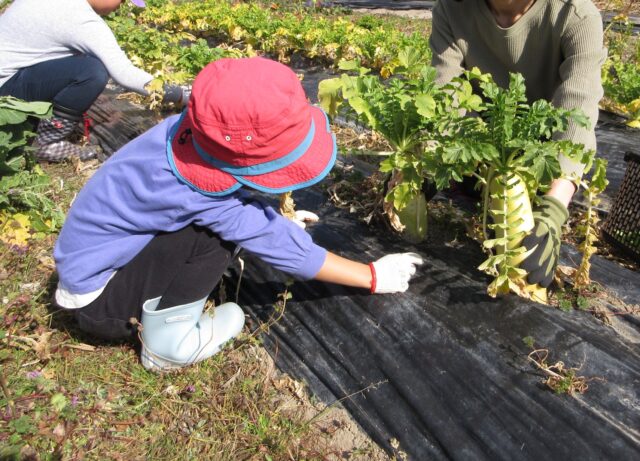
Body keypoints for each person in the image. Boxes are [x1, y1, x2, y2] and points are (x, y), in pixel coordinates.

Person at [53, 57, 424, 371]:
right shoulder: (193, 191)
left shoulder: (184, 135)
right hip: (102, 301)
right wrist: (372, 275)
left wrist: (277, 218)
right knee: (214, 237)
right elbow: (277, 244)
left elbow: (242, 206)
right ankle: (167, 345)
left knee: (226, 224)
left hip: (94, 266)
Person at [429, 0, 606, 288]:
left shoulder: (575, 14)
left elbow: (578, 106)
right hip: (480, 155)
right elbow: (446, 95)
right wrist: (433, 157)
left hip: (544, 163)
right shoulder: (451, 9)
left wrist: (553, 209)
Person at [0, 0, 188, 162]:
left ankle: (36, 124)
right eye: (121, 0)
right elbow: (125, 74)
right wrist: (181, 95)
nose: (120, 6)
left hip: (9, 74)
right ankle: (47, 144)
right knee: (92, 71)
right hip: (5, 92)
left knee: (82, 62)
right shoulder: (81, 20)